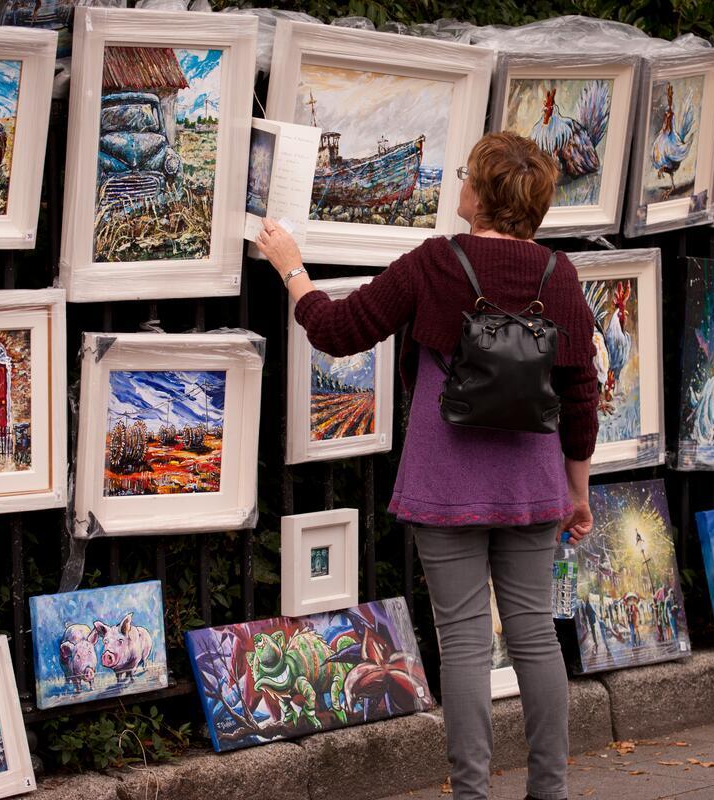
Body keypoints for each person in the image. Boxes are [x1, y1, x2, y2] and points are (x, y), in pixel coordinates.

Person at [255, 131, 599, 800]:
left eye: (468, 176)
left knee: (465, 642)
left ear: (480, 197)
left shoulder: (435, 265)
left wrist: (291, 266)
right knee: (534, 636)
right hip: (533, 487)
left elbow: (337, 330)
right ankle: (548, 792)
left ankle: (471, 794)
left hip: (445, 484)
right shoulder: (561, 278)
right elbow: (582, 395)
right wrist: (576, 492)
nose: (459, 184)